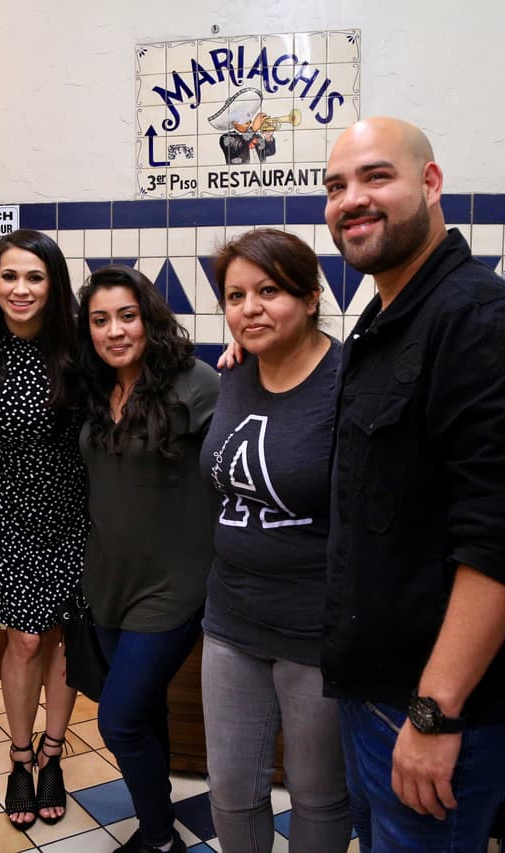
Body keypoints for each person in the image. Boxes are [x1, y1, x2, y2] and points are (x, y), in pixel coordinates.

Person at [321, 116, 505, 851]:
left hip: (440, 712)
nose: (351, 200)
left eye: (375, 177)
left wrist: (434, 713)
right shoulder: (389, 315)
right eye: (336, 186)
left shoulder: (480, 320)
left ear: (430, 183)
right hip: (378, 697)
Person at [200, 228, 352, 852]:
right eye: (235, 296)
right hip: (230, 617)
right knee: (230, 792)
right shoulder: (235, 371)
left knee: (318, 796)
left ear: (311, 297)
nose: (249, 308)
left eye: (268, 291)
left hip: (314, 630)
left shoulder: (348, 380)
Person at [76, 265, 219, 853]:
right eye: (100, 320)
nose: (114, 331)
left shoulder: (196, 383)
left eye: (127, 316)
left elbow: (239, 463)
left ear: (150, 319)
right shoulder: (93, 388)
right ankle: (155, 820)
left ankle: (160, 838)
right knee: (146, 713)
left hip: (174, 585)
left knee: (119, 720)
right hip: (108, 581)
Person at [0, 229, 89, 830]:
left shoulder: (80, 346)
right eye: (8, 276)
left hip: (78, 508)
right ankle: (18, 756)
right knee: (26, 640)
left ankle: (54, 753)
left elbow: (155, 365)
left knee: (65, 637)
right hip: (8, 504)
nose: (20, 288)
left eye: (34, 277)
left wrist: (240, 357)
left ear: (53, 284)